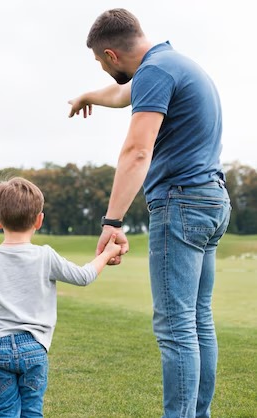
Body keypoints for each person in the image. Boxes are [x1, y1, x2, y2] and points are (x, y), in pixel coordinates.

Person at [67, 8, 232, 418]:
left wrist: (111, 221)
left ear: (111, 54)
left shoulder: (155, 73)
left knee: (176, 329)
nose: (104, 71)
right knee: (198, 322)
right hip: (211, 200)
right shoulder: (170, 63)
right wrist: (88, 96)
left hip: (181, 204)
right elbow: (124, 95)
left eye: (100, 64)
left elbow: (138, 151)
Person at [0, 177, 121, 417]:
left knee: (4, 412)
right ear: (39, 220)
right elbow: (84, 276)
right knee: (32, 411)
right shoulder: (45, 256)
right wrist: (107, 254)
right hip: (34, 347)